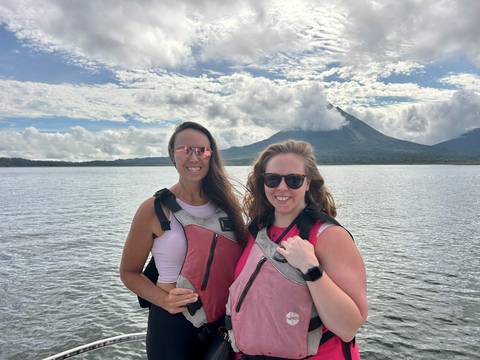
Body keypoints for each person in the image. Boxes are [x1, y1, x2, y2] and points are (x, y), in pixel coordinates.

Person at [226, 140, 367, 359]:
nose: (282, 188)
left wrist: (311, 268)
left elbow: (348, 327)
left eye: (293, 180)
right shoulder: (254, 231)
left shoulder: (329, 236)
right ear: (263, 183)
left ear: (308, 183)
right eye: (273, 179)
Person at [120, 121, 247, 360]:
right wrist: (163, 300)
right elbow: (129, 272)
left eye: (202, 150)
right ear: (172, 155)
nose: (194, 157)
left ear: (211, 155)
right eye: (184, 150)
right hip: (172, 326)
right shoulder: (154, 209)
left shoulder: (228, 206)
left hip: (222, 322)